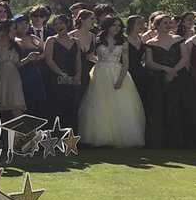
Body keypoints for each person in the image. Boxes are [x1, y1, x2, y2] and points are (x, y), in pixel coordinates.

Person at [143, 15, 196, 148]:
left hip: (180, 77)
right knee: (161, 109)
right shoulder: (150, 43)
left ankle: (185, 140)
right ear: (156, 26)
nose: (168, 25)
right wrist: (166, 69)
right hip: (159, 80)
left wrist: (174, 71)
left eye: (169, 23)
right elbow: (149, 62)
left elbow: (185, 57)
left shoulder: (178, 39)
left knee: (184, 106)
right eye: (164, 23)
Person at [78, 16, 145, 147]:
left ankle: (121, 136)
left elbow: (126, 62)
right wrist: (101, 62)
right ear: (107, 26)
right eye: (114, 25)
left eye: (119, 26)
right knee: (99, 104)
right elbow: (90, 56)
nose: (117, 28)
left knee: (121, 104)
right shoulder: (97, 40)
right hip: (100, 73)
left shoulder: (123, 41)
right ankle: (102, 137)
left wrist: (120, 79)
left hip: (118, 72)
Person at [43, 14, 82, 132]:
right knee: (58, 106)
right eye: (55, 24)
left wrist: (78, 74)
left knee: (72, 106)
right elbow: (49, 60)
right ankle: (56, 138)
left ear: (67, 24)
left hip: (72, 77)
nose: (58, 26)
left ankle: (73, 138)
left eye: (61, 23)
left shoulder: (76, 41)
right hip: (56, 77)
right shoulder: (51, 40)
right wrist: (61, 74)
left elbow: (78, 60)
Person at [12, 14, 48, 118]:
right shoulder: (13, 41)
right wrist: (28, 59)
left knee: (38, 101)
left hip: (35, 74)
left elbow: (48, 49)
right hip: (21, 75)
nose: (24, 26)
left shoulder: (33, 38)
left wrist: (39, 57)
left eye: (26, 23)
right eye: (20, 24)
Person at [0, 23, 25, 118]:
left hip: (14, 78)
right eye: (13, 29)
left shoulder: (16, 45)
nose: (15, 31)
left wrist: (28, 59)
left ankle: (20, 131)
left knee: (17, 106)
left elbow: (18, 63)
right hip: (0, 77)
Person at [124, 15, 149, 98]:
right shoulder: (124, 40)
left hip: (140, 71)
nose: (142, 26)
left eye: (143, 23)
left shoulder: (141, 38)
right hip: (128, 72)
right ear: (131, 25)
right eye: (139, 23)